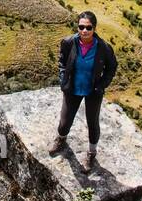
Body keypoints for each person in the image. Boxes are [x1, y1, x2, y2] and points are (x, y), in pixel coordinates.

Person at [50, 10, 118, 165]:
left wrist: (102, 85)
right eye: (81, 27)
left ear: (94, 28)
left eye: (88, 28)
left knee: (92, 123)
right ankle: (61, 140)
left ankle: (91, 153)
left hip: (93, 90)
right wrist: (63, 80)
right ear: (77, 27)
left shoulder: (103, 48)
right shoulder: (68, 43)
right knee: (65, 121)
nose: (84, 31)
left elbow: (112, 67)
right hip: (72, 88)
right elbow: (62, 62)